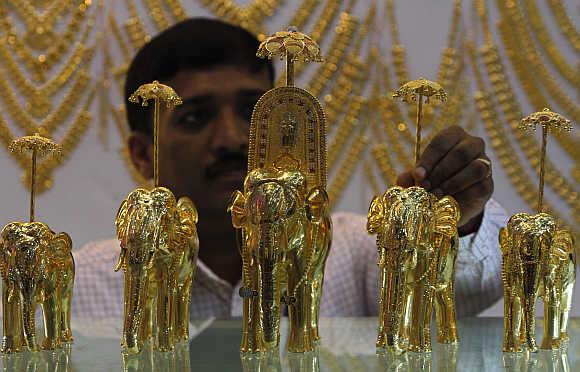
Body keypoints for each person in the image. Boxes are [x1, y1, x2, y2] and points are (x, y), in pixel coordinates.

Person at [72, 18, 505, 320]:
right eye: (195, 117)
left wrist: (456, 224)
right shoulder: (81, 286)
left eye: (252, 111)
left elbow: (466, 293)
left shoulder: (351, 249)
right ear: (143, 155)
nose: (233, 139)